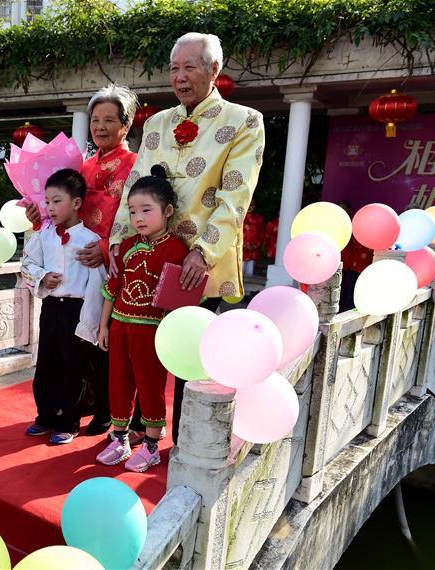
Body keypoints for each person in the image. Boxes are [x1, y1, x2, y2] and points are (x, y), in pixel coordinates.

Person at [109, 32, 266, 443]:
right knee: (140, 350)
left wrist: (202, 252)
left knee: (191, 355)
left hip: (199, 268)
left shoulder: (244, 122)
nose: (179, 77)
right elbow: (134, 188)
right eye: (174, 68)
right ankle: (141, 435)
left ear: (214, 70)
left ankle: (188, 446)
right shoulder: (159, 123)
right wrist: (116, 242)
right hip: (147, 260)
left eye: (189, 67)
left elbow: (235, 197)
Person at [25, 84, 146, 437]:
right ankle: (79, 409)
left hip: (115, 265)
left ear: (126, 125)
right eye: (95, 120)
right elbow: (60, 213)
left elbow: (140, 218)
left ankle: (110, 414)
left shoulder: (136, 166)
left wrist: (108, 247)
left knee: (104, 346)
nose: (101, 126)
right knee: (74, 350)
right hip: (77, 265)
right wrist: (39, 216)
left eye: (110, 119)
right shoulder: (83, 166)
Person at [96, 167, 189, 471]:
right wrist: (103, 326)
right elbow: (113, 288)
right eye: (133, 211)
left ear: (168, 211)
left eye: (146, 210)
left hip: (152, 331)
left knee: (150, 386)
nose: (138, 218)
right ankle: (120, 438)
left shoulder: (177, 249)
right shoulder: (126, 246)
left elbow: (178, 299)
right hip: (121, 326)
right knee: (118, 383)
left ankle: (151, 446)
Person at [21, 169, 107, 445]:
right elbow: (26, 264)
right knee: (47, 362)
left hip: (78, 310)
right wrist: (42, 276)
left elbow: (98, 282)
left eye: (57, 201)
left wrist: (92, 321)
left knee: (76, 367)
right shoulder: (44, 236)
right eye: (47, 201)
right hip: (51, 308)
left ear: (77, 203)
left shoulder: (90, 241)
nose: (50, 207)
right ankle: (45, 415)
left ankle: (69, 420)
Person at [337, 201, 372, 311]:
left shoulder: (354, 226)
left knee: (352, 293)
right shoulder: (332, 223)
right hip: (340, 264)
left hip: (357, 267)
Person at [242, 199, 265, 276]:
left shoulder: (259, 219)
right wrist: (244, 245)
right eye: (248, 204)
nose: (249, 207)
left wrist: (256, 246)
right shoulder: (240, 218)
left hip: (253, 250)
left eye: (251, 205)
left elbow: (262, 233)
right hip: (241, 249)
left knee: (250, 273)